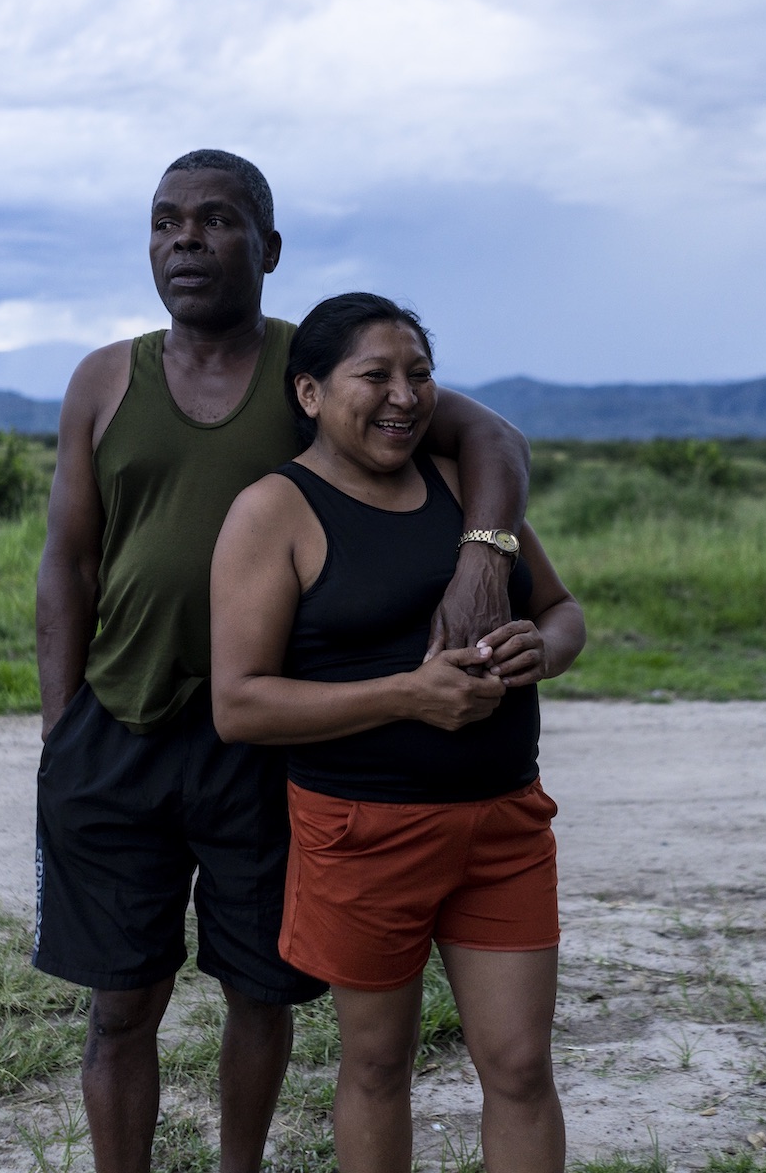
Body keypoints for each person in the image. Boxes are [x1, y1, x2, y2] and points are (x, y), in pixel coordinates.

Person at [34, 152, 533, 1173]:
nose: (185, 240)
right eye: (166, 221)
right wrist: (60, 731)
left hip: (263, 738)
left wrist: (483, 559)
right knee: (121, 1000)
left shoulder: (314, 374)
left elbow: (494, 439)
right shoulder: (103, 378)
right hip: (119, 726)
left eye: (215, 221)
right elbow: (68, 562)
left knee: (260, 987)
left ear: (266, 248)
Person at [209, 292, 586, 1173]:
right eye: (373, 375)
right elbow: (241, 704)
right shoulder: (274, 512)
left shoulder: (467, 492)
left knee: (522, 1066)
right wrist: (407, 696)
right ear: (309, 394)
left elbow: (565, 611)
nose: (404, 397)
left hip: (504, 823)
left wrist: (546, 646)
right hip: (361, 830)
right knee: (378, 1065)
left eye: (419, 374)